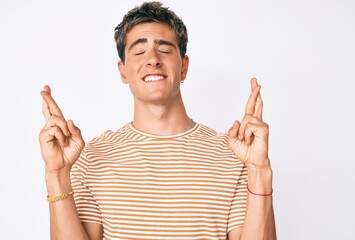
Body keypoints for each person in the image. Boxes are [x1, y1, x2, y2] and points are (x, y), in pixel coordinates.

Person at [39, 2, 276, 239]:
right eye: (139, 52)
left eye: (164, 50)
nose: (152, 59)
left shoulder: (233, 154)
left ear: (184, 67)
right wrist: (57, 174)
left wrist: (259, 170)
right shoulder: (92, 157)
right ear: (123, 71)